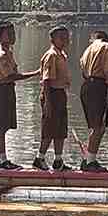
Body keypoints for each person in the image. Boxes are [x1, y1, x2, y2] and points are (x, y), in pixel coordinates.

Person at [0, 20, 39, 170]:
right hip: (2, 91)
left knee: (3, 127)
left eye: (13, 32)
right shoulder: (1, 55)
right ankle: (3, 161)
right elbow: (11, 76)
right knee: (1, 127)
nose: (12, 36)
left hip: (8, 90)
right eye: (8, 34)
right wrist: (35, 73)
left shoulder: (9, 52)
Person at [35, 25, 72, 171]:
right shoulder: (51, 55)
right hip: (52, 94)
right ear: (52, 39)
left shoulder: (62, 55)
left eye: (66, 38)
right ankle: (39, 158)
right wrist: (48, 103)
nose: (65, 40)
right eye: (61, 38)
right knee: (49, 128)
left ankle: (58, 160)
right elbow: (46, 80)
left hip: (60, 93)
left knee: (61, 129)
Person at [78, 30, 108, 172]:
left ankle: (89, 158)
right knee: (99, 127)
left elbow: (83, 71)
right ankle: (90, 162)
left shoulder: (87, 50)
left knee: (96, 126)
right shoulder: (106, 46)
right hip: (98, 86)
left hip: (87, 86)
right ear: (105, 38)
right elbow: (107, 70)